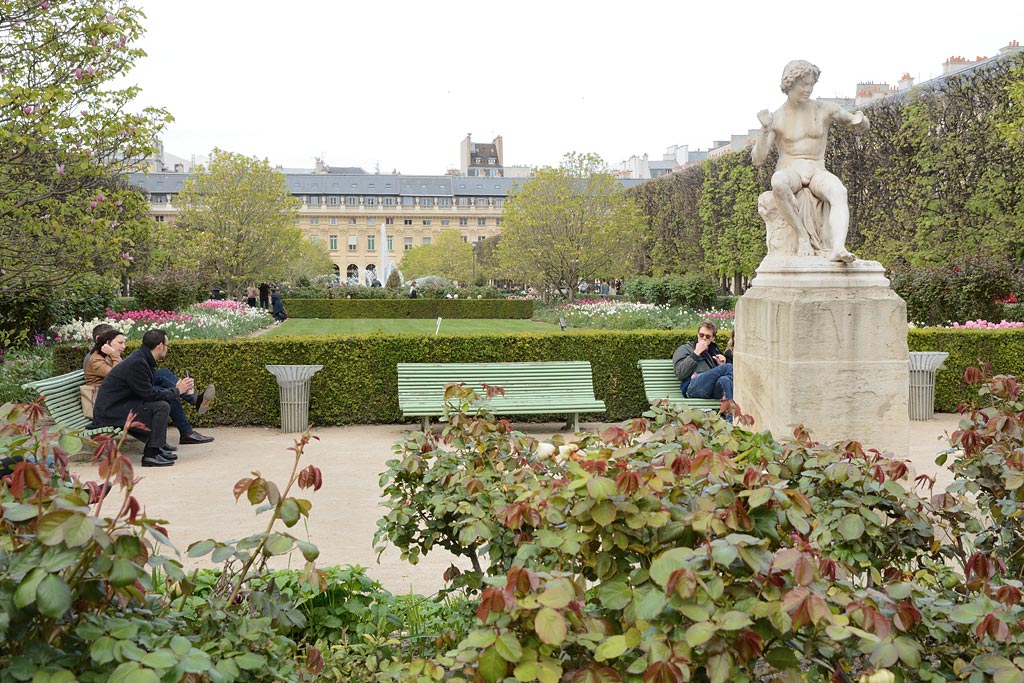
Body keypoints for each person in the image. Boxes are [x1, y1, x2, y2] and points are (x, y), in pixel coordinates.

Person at [751, 59, 870, 263]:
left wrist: (860, 122)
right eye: (803, 84)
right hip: (791, 170)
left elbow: (856, 121)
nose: (808, 89)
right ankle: (802, 235)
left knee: (839, 191)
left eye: (811, 84)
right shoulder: (777, 118)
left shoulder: (824, 109)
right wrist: (764, 130)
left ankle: (838, 248)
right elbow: (758, 158)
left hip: (817, 170)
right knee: (778, 181)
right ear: (789, 84)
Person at [85, 328, 215, 447]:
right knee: (164, 396)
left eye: (124, 343)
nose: (123, 347)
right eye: (120, 343)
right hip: (110, 403)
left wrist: (175, 390)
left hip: (123, 397)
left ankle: (191, 406)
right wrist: (114, 354)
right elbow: (114, 374)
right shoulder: (96, 359)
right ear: (107, 343)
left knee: (164, 379)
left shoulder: (129, 358)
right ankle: (191, 403)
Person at [92, 329, 196, 467]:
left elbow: (148, 391)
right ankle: (151, 454)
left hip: (118, 406)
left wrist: (175, 391)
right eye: (167, 346)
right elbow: (149, 395)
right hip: (110, 412)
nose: (167, 349)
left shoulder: (142, 358)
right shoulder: (138, 363)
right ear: (160, 345)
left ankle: (157, 448)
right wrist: (177, 390)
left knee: (162, 401)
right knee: (161, 406)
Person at [671, 320, 733, 402]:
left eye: (708, 336)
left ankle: (731, 414)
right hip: (691, 387)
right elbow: (680, 373)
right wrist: (695, 353)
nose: (704, 338)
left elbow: (716, 376)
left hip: (710, 389)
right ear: (697, 334)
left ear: (713, 338)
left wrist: (721, 365)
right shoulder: (685, 349)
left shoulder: (714, 352)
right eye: (701, 335)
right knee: (728, 367)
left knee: (725, 380)